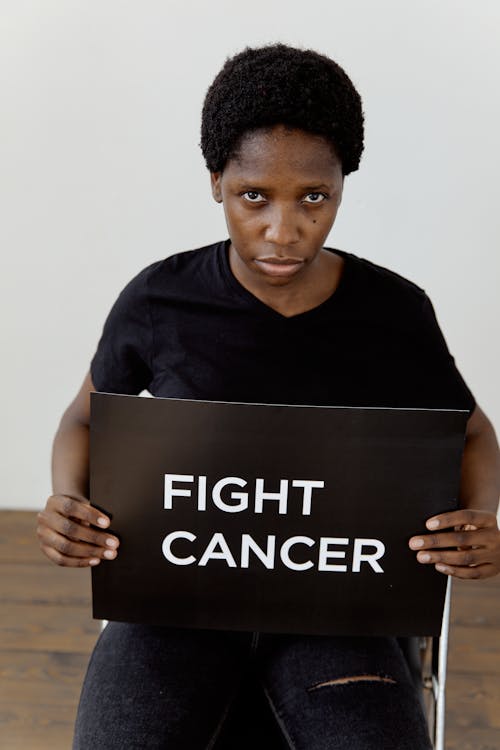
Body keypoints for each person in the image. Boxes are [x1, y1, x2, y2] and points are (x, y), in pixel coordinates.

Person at [37, 42, 500, 750]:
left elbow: (471, 433)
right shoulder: (161, 298)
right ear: (217, 181)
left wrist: (475, 519)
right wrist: (68, 500)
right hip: (176, 604)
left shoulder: (393, 312)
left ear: (343, 184)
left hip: (337, 610)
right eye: (254, 196)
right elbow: (84, 416)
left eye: (315, 197)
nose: (283, 232)